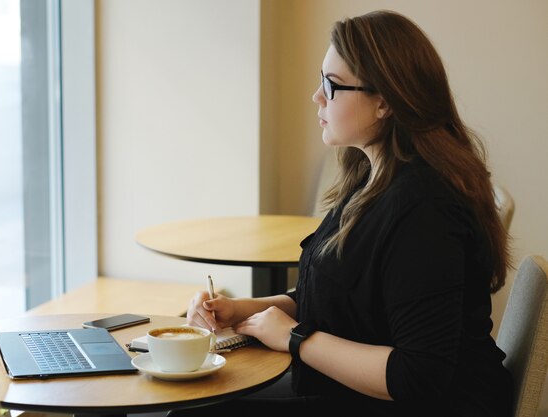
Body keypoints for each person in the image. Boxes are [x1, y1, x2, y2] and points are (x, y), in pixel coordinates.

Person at [169, 9, 512, 417]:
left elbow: (416, 376)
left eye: (332, 86)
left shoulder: (425, 210)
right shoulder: (371, 177)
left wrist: (295, 338)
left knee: (187, 411)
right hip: (353, 391)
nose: (317, 96)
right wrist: (243, 309)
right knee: (192, 399)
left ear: (384, 101)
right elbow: (343, 299)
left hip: (424, 405)